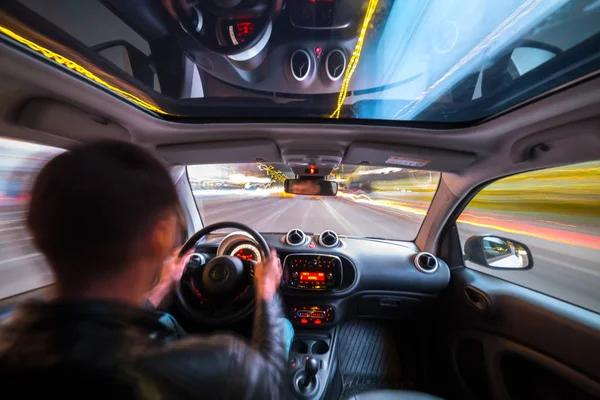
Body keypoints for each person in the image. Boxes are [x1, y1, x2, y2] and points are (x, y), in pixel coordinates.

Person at [0, 141, 292, 399]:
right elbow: (269, 383)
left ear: (37, 233)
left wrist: (163, 287)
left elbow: (93, 326)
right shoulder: (225, 362)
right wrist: (266, 294)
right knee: (286, 327)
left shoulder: (11, 339)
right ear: (160, 235)